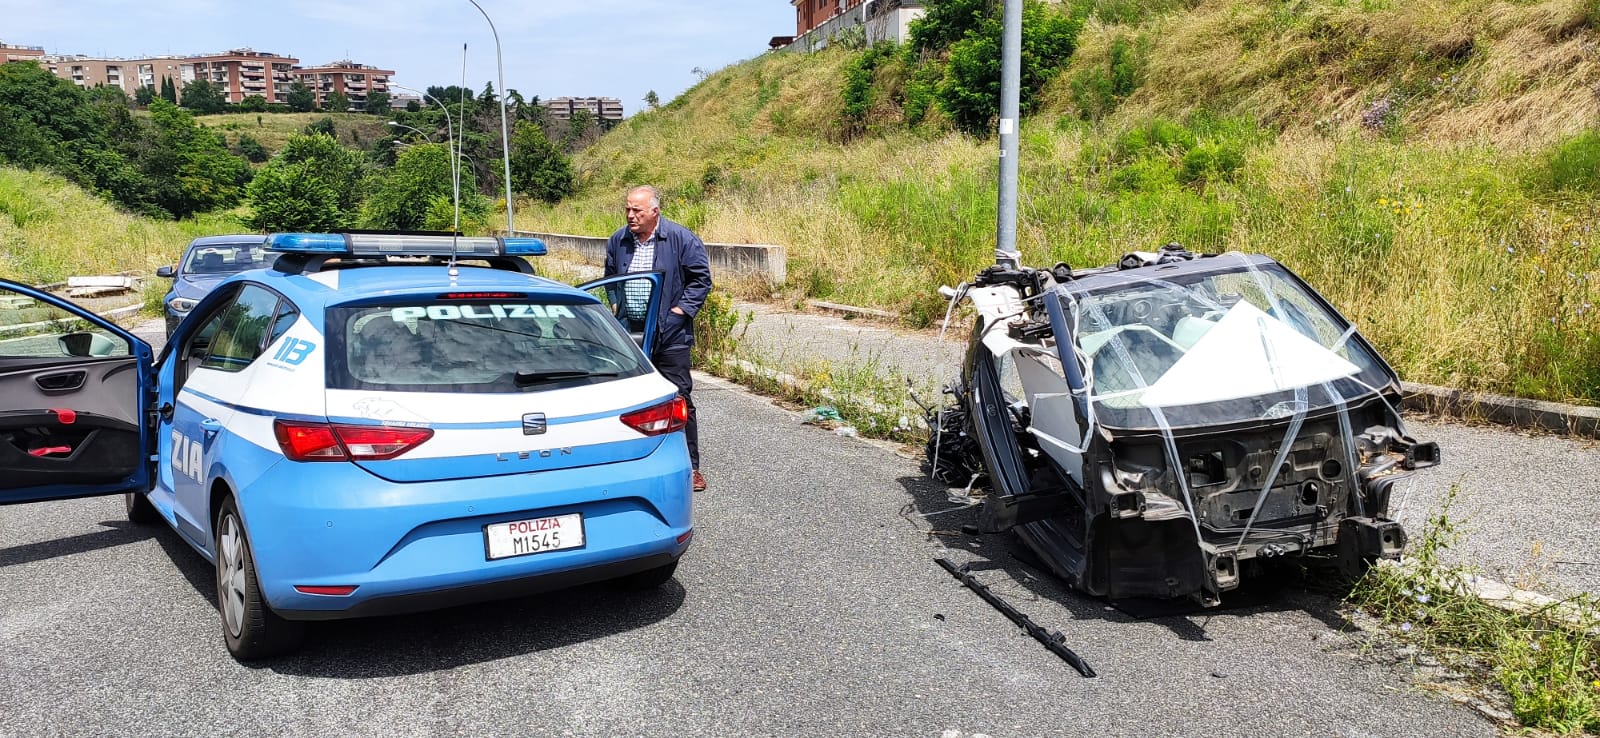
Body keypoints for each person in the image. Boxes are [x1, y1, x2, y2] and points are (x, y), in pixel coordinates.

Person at [605, 185, 713, 492]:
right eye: (627, 209)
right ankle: (630, 464)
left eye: (637, 210)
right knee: (627, 398)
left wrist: (679, 312)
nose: (630, 216)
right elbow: (611, 276)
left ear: (654, 211)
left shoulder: (680, 238)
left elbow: (700, 280)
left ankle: (690, 467)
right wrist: (616, 305)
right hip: (629, 334)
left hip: (670, 333)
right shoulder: (619, 240)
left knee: (677, 397)